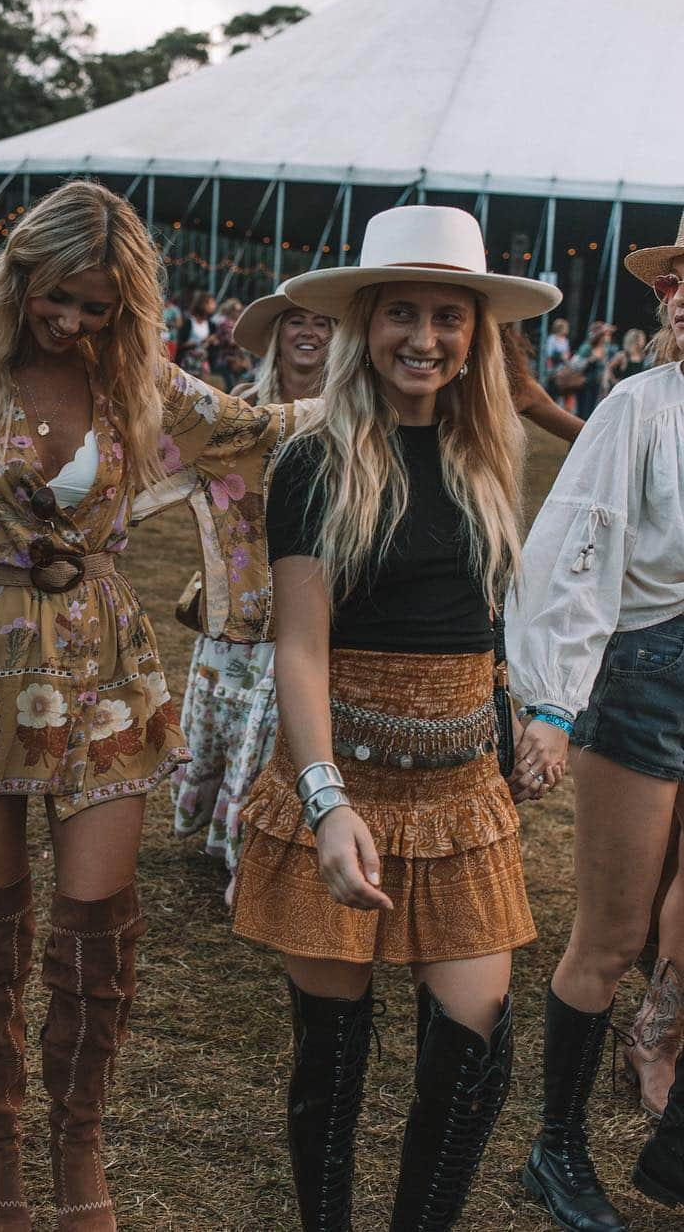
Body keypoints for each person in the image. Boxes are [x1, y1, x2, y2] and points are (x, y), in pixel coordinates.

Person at [0, 179, 296, 1231]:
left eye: (95, 307)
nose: (69, 322)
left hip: (107, 678)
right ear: (19, 279)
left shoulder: (140, 389)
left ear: (125, 310)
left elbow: (266, 432)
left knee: (94, 927)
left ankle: (79, 1147)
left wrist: (403, 380)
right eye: (54, 298)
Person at [231, 205, 562, 1231]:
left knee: (475, 1044)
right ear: (364, 325)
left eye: (450, 317)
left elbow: (486, 612)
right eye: (403, 314)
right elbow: (299, 645)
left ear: (478, 337)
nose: (426, 338)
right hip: (349, 782)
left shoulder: (485, 459)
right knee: (332, 1062)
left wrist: (524, 711)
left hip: (464, 792)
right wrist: (326, 800)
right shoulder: (315, 462)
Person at [507, 219, 684, 1229]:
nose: (682, 296)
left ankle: (656, 1057)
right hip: (647, 674)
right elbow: (575, 556)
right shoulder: (637, 406)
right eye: (675, 281)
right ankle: (556, 1147)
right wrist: (551, 703)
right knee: (610, 937)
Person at [174, 289, 334, 906]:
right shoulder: (241, 408)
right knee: (231, 721)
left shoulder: (352, 413)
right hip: (242, 592)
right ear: (277, 333)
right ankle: (225, 827)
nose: (310, 332)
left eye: (323, 322)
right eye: (298, 320)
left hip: (311, 585)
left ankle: (271, 846)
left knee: (276, 724)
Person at [500, 322, 584, 443]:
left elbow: (586, 433)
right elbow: (550, 354)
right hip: (554, 370)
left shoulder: (518, 386)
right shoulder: (552, 340)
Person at [176, 289, 216, 375]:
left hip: (203, 362)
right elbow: (180, 344)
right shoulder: (189, 322)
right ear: (202, 304)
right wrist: (193, 344)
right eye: (211, 303)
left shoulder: (211, 325)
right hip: (188, 362)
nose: (213, 306)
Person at [604, 326, 648, 391]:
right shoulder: (623, 355)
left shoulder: (643, 356)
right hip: (623, 389)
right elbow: (608, 368)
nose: (644, 341)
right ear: (635, 340)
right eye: (642, 339)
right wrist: (614, 382)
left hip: (637, 390)